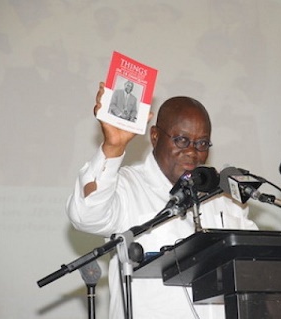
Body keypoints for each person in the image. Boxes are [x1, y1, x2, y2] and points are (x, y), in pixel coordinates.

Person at [66, 82, 258, 319]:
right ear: (155, 137)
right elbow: (86, 216)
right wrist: (112, 148)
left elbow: (255, 263)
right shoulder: (128, 186)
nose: (192, 151)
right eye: (181, 140)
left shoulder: (223, 197)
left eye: (202, 143)